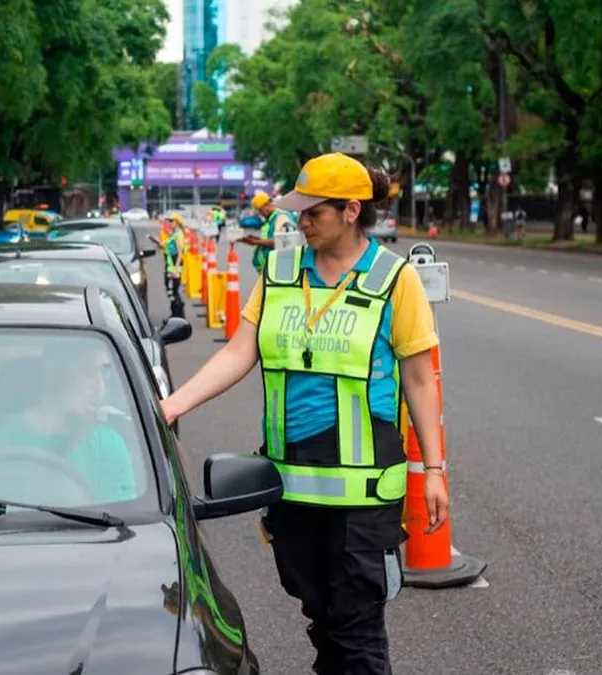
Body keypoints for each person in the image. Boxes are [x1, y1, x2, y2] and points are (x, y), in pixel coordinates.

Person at [160, 152, 450, 675]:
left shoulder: (394, 279)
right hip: (292, 487)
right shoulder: (279, 272)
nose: (301, 221)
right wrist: (170, 406)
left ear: (351, 211)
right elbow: (240, 352)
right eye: (298, 211)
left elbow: (419, 379)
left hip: (363, 494)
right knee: (322, 619)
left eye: (314, 211)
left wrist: (433, 470)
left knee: (357, 629)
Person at [0, 343, 137, 504]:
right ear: (54, 371)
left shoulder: (106, 445)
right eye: (88, 372)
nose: (100, 388)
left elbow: (119, 522)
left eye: (104, 374)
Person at [241, 190, 298, 274]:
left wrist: (255, 241)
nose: (260, 213)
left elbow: (282, 242)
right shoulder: (271, 219)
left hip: (277, 269)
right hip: (269, 270)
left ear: (267, 205)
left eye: (260, 210)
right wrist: (254, 239)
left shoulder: (281, 217)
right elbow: (271, 238)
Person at [164, 213, 187, 319]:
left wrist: (176, 269)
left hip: (175, 266)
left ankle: (179, 314)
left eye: (172, 221)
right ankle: (175, 313)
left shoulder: (178, 235)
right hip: (170, 265)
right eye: (169, 221)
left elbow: (180, 253)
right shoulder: (173, 234)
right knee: (171, 289)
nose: (170, 223)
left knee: (174, 290)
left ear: (177, 222)